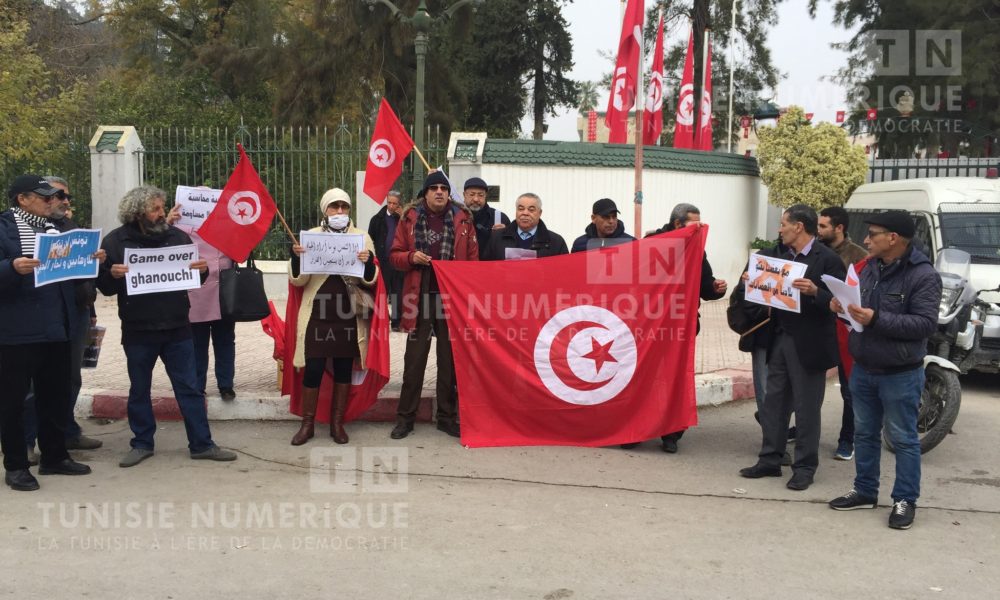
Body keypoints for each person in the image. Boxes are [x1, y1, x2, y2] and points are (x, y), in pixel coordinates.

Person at [97, 185, 237, 468]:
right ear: (137, 213)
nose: (163, 214)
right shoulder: (116, 242)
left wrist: (203, 270)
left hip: (177, 328)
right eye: (156, 209)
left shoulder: (177, 237)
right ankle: (141, 444)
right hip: (138, 329)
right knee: (139, 389)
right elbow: (106, 288)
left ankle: (202, 443)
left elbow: (195, 279)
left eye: (162, 207)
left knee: (189, 388)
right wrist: (110, 273)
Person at [828, 211, 941, 530]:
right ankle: (865, 490)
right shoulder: (868, 268)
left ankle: (905, 499)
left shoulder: (923, 275)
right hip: (863, 367)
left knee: (903, 438)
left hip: (900, 372)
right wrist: (839, 307)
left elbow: (925, 323)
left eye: (873, 233)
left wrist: (875, 318)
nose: (866, 239)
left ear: (893, 238)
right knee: (864, 433)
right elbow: (855, 308)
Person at [739, 204, 845, 491]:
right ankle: (770, 459)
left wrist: (816, 293)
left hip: (809, 344)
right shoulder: (776, 255)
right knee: (774, 402)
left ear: (799, 226)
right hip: (779, 338)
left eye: (784, 223)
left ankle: (805, 467)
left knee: (806, 407)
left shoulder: (829, 260)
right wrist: (749, 283)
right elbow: (765, 293)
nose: (780, 228)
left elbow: (841, 305)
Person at [1, 174, 93, 491]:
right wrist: (11, 268)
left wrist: (91, 261)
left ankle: (55, 456)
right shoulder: (4, 227)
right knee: (12, 401)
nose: (52, 201)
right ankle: (15, 465)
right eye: (45, 197)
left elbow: (70, 273)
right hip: (16, 332)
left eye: (54, 196)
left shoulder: (58, 227)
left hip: (57, 327)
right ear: (22, 199)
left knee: (54, 395)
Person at [625, 203, 727, 453]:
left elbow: (704, 285)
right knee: (644, 378)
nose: (701, 227)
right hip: (650, 326)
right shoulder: (652, 243)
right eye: (695, 224)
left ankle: (671, 433)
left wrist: (714, 289)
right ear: (678, 224)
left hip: (682, 326)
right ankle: (636, 429)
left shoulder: (697, 250)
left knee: (675, 380)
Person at [389, 171, 478, 439]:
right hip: (421, 296)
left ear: (449, 193)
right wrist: (411, 257)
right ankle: (405, 418)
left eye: (443, 188)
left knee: (450, 362)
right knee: (414, 362)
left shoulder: (464, 220)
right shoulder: (409, 218)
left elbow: (474, 262)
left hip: (452, 299)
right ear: (425, 193)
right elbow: (394, 256)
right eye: (434, 188)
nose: (439, 191)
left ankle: (447, 417)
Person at [21, 176, 104, 462]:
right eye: (57, 196)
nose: (64, 201)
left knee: (70, 377)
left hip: (76, 312)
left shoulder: (69, 228)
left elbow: (81, 274)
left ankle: (65, 432)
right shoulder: (25, 229)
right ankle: (26, 441)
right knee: (34, 383)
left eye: (66, 197)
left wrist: (91, 309)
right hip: (39, 315)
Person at [288, 188, 378, 445]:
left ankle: (338, 424)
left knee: (342, 369)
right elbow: (299, 281)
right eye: (334, 207)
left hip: (347, 314)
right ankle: (307, 424)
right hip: (317, 312)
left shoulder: (361, 237)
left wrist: (368, 261)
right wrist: (296, 259)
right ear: (325, 210)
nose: (339, 211)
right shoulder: (311, 237)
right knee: (313, 368)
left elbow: (371, 280)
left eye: (344, 206)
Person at [818, 206, 869, 461]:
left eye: (823, 226)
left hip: (846, 332)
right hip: (819, 329)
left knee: (849, 389)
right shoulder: (816, 251)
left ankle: (847, 439)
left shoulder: (859, 257)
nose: (819, 231)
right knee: (809, 384)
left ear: (839, 228)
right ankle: (800, 428)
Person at [172, 202, 237, 401]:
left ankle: (226, 384)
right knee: (197, 343)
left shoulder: (226, 226)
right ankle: (197, 385)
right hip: (196, 293)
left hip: (224, 292)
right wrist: (168, 222)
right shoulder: (179, 229)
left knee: (225, 340)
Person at [482, 193, 568, 260]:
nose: (525, 213)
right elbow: (487, 268)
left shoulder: (556, 242)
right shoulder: (497, 238)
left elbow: (563, 271)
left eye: (531, 210)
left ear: (540, 213)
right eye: (521, 209)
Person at [368, 190, 404, 330]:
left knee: (398, 293)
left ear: (399, 204)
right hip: (383, 261)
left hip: (398, 262)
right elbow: (370, 240)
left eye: (395, 203)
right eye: (389, 202)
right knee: (383, 293)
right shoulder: (377, 219)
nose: (391, 206)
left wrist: (403, 218)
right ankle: (382, 321)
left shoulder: (402, 218)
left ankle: (397, 322)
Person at [463, 177, 509, 256]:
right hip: (461, 266)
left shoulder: (500, 218)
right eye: (472, 194)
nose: (476, 199)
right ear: (464, 195)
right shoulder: (455, 216)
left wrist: (504, 233)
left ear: (486, 196)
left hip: (490, 266)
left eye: (480, 195)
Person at [570, 198, 635, 252]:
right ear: (593, 218)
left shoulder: (631, 243)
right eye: (606, 217)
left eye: (614, 216)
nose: (611, 221)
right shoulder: (579, 244)